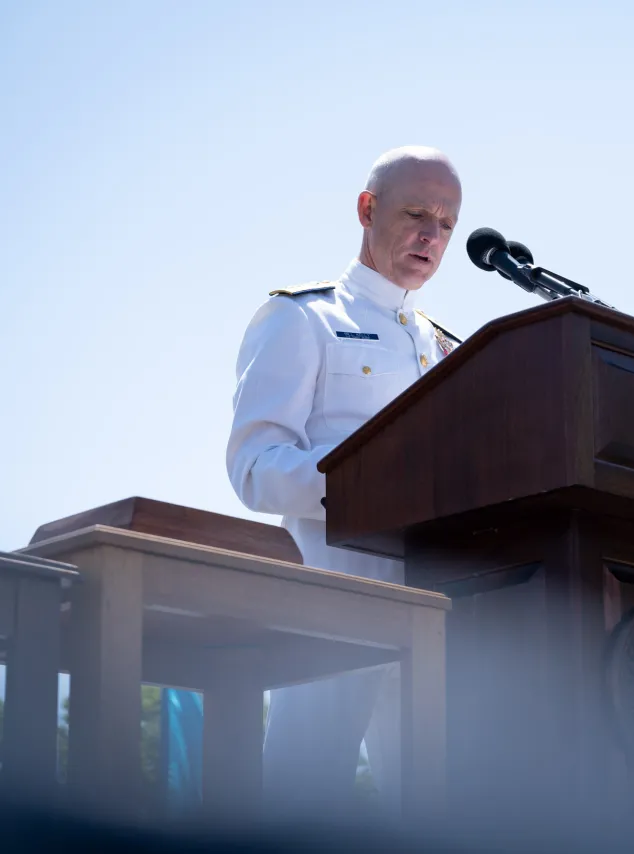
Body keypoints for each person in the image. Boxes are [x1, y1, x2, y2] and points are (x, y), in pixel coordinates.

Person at [225, 145, 463, 820]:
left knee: (436, 818)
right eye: (417, 212)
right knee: (304, 804)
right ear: (367, 209)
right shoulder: (303, 319)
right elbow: (254, 468)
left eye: (446, 223)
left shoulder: (452, 349)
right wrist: (377, 479)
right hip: (335, 607)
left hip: (442, 612)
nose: (431, 235)